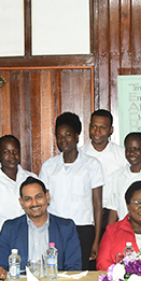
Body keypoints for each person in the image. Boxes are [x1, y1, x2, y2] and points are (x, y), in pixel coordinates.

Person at [40, 112, 104, 270]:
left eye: (67, 135)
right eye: (59, 136)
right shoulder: (48, 166)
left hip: (83, 229)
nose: (63, 140)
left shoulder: (92, 164)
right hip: (55, 228)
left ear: (77, 136)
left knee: (80, 274)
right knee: (55, 273)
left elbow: (97, 204)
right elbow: (43, 202)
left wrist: (96, 240)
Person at [0, 177, 82, 271]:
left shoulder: (66, 227)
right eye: (28, 199)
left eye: (38, 197)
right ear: (21, 203)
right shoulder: (9, 228)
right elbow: (0, 267)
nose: (34, 203)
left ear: (47, 197)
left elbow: (74, 268)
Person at [81, 109, 127, 228]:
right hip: (85, 214)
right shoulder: (80, 155)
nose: (97, 132)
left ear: (111, 130)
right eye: (94, 126)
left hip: (113, 214)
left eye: (102, 128)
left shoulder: (122, 156)